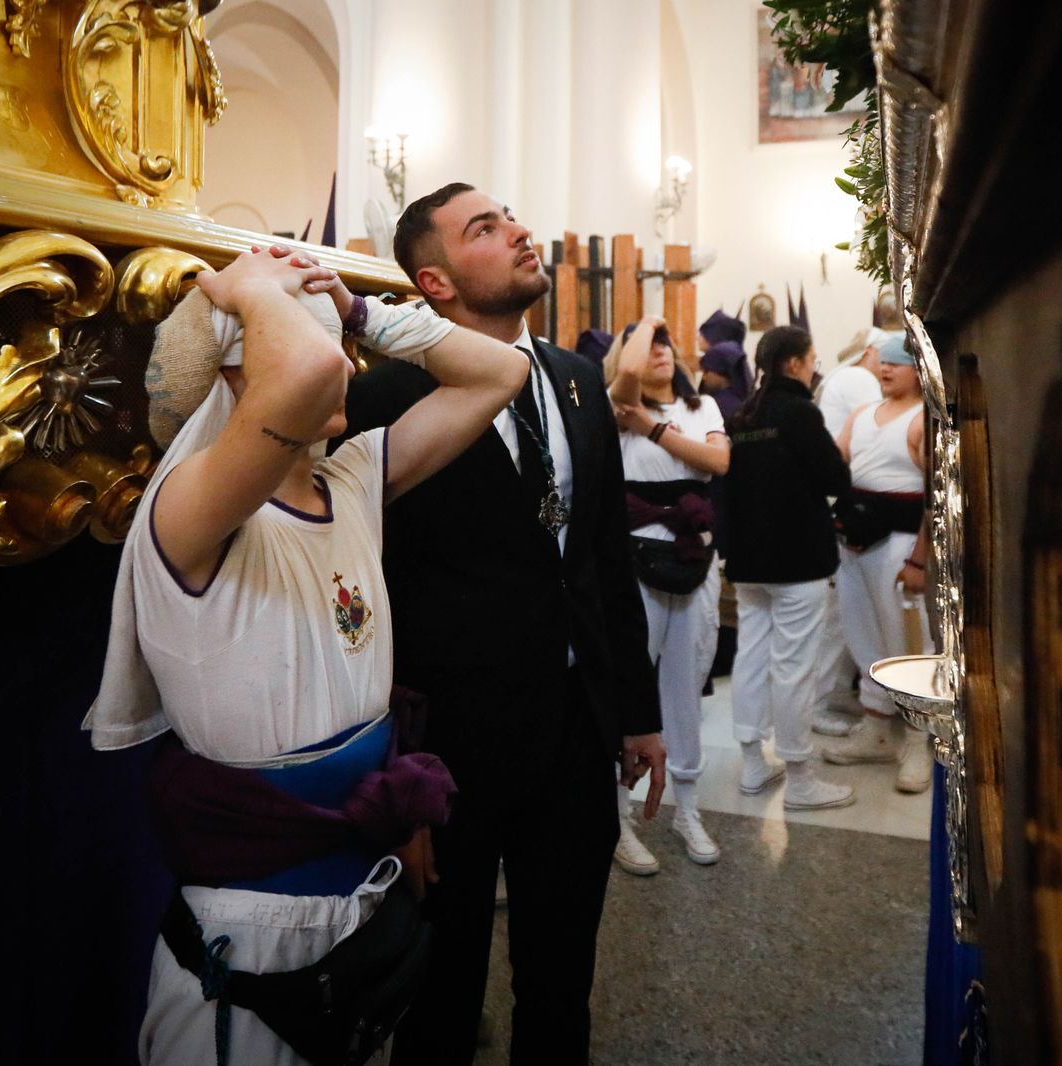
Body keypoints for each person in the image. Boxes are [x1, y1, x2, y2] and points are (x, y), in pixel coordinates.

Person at [86, 246, 530, 1065]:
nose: (345, 365)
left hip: (359, 886)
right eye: (304, 340)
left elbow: (500, 372)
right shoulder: (190, 510)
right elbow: (310, 370)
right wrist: (251, 285)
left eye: (343, 344)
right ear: (228, 377)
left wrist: (366, 311)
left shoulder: (352, 478)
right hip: (256, 921)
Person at [336, 182, 665, 1066]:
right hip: (450, 745)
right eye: (486, 228)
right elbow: (366, 599)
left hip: (572, 731)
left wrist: (636, 711)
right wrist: (393, 774)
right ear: (433, 282)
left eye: (512, 216)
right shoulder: (390, 397)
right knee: (439, 995)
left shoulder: (578, 378)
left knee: (561, 978)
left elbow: (599, 559)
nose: (521, 231)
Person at [608, 317, 731, 870]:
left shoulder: (699, 407)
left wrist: (653, 428)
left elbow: (718, 462)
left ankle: (688, 806)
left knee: (687, 680)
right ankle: (619, 816)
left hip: (692, 555)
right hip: (637, 559)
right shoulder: (617, 405)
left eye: (666, 344)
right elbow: (628, 370)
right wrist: (649, 323)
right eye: (650, 344)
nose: (659, 352)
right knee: (634, 682)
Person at [723, 324, 857, 810]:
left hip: (748, 561)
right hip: (797, 561)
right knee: (794, 668)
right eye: (812, 357)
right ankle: (800, 778)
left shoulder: (743, 414)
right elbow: (835, 477)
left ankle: (754, 766)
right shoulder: (799, 412)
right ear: (796, 363)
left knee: (752, 657)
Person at [823, 332, 935, 793]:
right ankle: (875, 729)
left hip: (899, 543)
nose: (886, 369)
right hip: (852, 543)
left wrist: (919, 560)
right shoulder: (860, 414)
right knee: (861, 636)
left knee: (907, 644)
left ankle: (917, 740)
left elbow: (936, 497)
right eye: (883, 362)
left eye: (897, 362)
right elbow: (834, 465)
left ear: (917, 369)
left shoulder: (923, 419)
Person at [809, 325, 890, 739]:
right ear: (869, 352)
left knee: (843, 615)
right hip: (845, 509)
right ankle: (817, 703)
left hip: (834, 506)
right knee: (838, 615)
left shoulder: (840, 377)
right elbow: (877, 427)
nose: (889, 367)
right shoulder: (858, 378)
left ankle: (834, 692)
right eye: (886, 357)